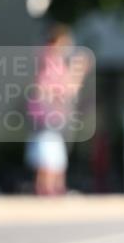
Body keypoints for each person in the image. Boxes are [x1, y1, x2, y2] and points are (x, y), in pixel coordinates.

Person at [25, 24, 92, 195]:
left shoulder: (51, 60)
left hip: (52, 115)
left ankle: (53, 188)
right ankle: (47, 189)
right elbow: (62, 88)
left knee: (55, 155)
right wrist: (77, 71)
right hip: (47, 115)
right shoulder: (49, 59)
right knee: (49, 155)